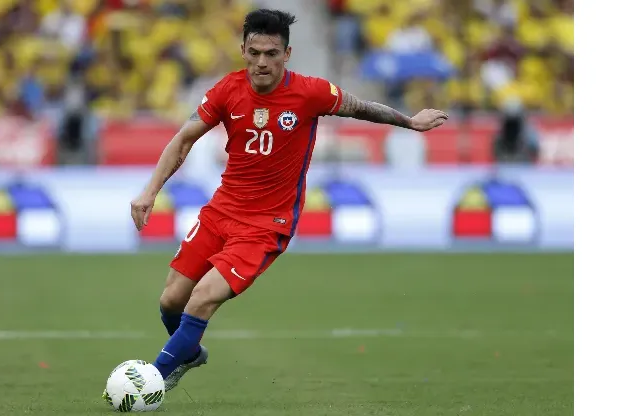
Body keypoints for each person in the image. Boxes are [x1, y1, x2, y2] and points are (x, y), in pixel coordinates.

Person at [129, 9, 448, 392]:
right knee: (171, 301)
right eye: (254, 53)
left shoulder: (311, 92)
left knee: (201, 299)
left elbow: (362, 107)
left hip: (266, 225)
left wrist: (408, 121)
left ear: (287, 54)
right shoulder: (227, 90)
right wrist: (149, 191)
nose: (262, 62)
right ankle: (189, 353)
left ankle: (149, 383)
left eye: (271, 53)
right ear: (243, 51)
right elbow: (183, 139)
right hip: (220, 211)